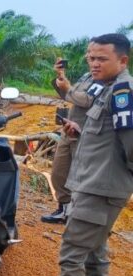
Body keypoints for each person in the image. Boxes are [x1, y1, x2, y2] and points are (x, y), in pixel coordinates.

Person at [26, 33, 133, 276]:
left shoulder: (123, 91)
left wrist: (120, 181)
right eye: (91, 57)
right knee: (95, 248)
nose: (94, 63)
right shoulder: (109, 88)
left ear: (122, 60)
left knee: (73, 250)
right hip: (98, 184)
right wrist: (81, 129)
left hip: (100, 188)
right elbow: (109, 135)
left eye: (102, 58)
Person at [42, 48, 103, 224]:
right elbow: (70, 96)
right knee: (58, 173)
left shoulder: (104, 81)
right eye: (88, 55)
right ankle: (63, 209)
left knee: (79, 176)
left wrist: (68, 88)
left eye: (93, 56)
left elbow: (85, 100)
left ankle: (76, 214)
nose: (89, 59)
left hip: (85, 134)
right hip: (68, 130)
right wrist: (61, 79)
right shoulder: (86, 76)